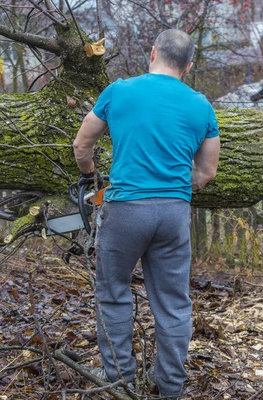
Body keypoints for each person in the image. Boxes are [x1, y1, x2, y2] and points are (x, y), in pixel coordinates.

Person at [72, 28, 220, 398]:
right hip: (173, 214)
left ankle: (120, 377)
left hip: (124, 211)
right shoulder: (201, 105)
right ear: (188, 66)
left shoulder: (119, 91)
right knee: (173, 302)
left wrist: (89, 174)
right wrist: (172, 189)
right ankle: (170, 385)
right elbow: (207, 172)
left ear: (152, 52)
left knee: (112, 292)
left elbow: (81, 143)